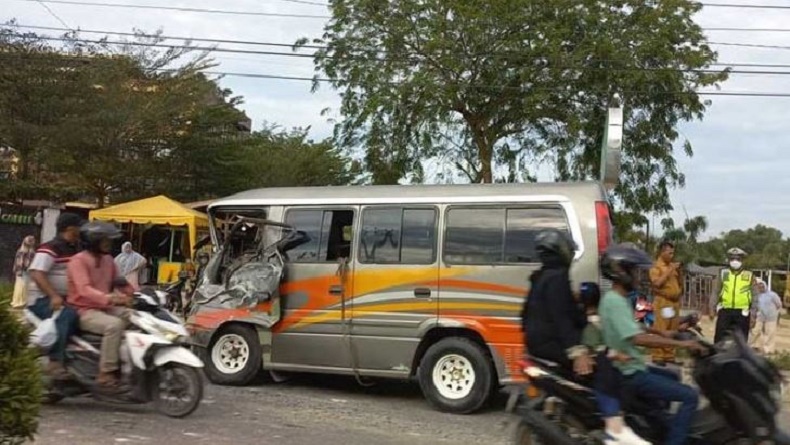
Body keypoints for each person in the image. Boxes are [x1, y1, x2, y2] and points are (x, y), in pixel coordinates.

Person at [599, 244, 706, 445]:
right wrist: (682, 344)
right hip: (630, 374)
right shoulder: (614, 301)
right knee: (690, 396)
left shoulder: (617, 300)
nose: (639, 278)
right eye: (634, 272)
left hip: (630, 367)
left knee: (673, 375)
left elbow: (633, 325)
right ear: (620, 272)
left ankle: (657, 426)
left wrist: (662, 331)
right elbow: (638, 338)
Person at [579, 282, 649, 445]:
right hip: (606, 373)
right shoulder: (597, 319)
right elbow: (599, 349)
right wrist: (617, 355)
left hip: (609, 368)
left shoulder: (585, 318)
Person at [68, 221, 134, 391]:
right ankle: (107, 372)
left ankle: (130, 364)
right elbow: (84, 289)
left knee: (136, 318)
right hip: (83, 310)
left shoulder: (108, 260)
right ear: (93, 240)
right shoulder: (78, 261)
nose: (109, 244)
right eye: (105, 240)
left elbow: (120, 281)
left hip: (106, 308)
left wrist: (135, 293)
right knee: (114, 325)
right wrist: (108, 298)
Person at [522, 229, 592, 376]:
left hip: (536, 346)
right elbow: (562, 317)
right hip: (553, 346)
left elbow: (525, 315)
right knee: (601, 372)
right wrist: (577, 352)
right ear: (561, 249)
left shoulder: (541, 276)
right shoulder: (557, 277)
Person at [26, 213, 83, 379]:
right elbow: (37, 274)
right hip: (43, 300)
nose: (81, 230)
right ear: (70, 228)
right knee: (67, 315)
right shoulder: (50, 248)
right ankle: (55, 361)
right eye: (78, 227)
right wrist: (53, 296)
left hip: (69, 299)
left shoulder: (77, 248)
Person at [649, 240, 683, 366]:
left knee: (672, 328)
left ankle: (669, 355)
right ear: (662, 252)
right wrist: (669, 271)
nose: (672, 256)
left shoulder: (672, 266)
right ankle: (658, 355)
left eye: (673, 253)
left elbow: (680, 284)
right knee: (661, 328)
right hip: (663, 302)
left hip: (674, 302)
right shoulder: (656, 267)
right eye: (669, 253)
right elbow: (657, 283)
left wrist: (679, 272)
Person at [710, 247, 755, 343]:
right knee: (719, 338)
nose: (735, 261)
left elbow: (755, 296)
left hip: (742, 312)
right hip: (725, 310)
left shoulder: (749, 275)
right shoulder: (723, 273)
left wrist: (753, 315)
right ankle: (718, 357)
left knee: (741, 341)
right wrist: (711, 308)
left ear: (742, 260)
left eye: (738, 259)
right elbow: (716, 291)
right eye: (732, 259)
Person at [753, 279, 782, 354]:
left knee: (770, 333)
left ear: (765, 285)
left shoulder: (772, 295)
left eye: (762, 285)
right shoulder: (756, 296)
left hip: (771, 317)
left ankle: (768, 350)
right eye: (759, 286)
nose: (761, 287)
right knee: (755, 331)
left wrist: (774, 313)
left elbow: (778, 304)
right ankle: (754, 346)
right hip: (759, 317)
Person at [11, 235, 36, 308]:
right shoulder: (22, 251)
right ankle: (19, 302)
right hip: (22, 271)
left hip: (26, 271)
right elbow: (19, 262)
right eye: (31, 241)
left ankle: (21, 302)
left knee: (24, 286)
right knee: (21, 286)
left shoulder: (30, 252)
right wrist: (19, 271)